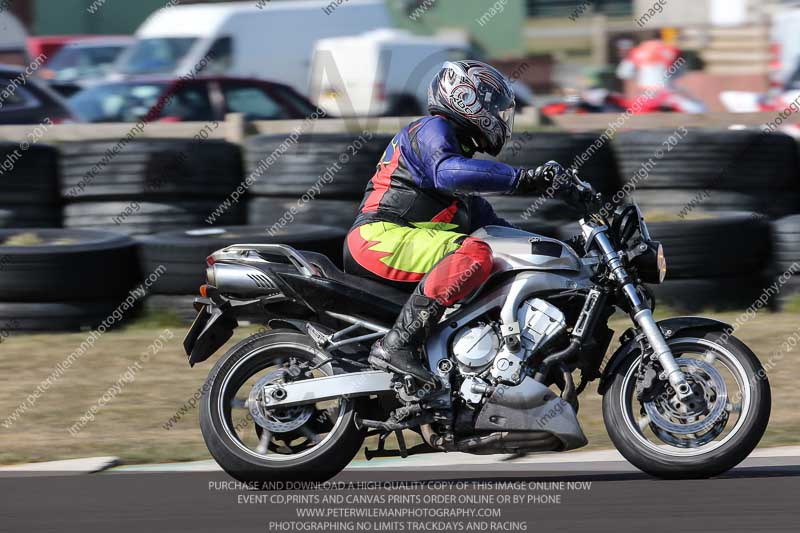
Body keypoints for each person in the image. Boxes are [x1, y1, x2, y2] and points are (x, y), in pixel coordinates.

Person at [343, 60, 582, 385]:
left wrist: (568, 250)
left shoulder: (461, 187)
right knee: (475, 254)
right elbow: (447, 171)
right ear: (466, 98)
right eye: (495, 107)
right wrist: (524, 179)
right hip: (378, 238)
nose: (500, 118)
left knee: (495, 254)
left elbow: (504, 234)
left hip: (401, 241)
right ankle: (396, 346)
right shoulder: (431, 130)